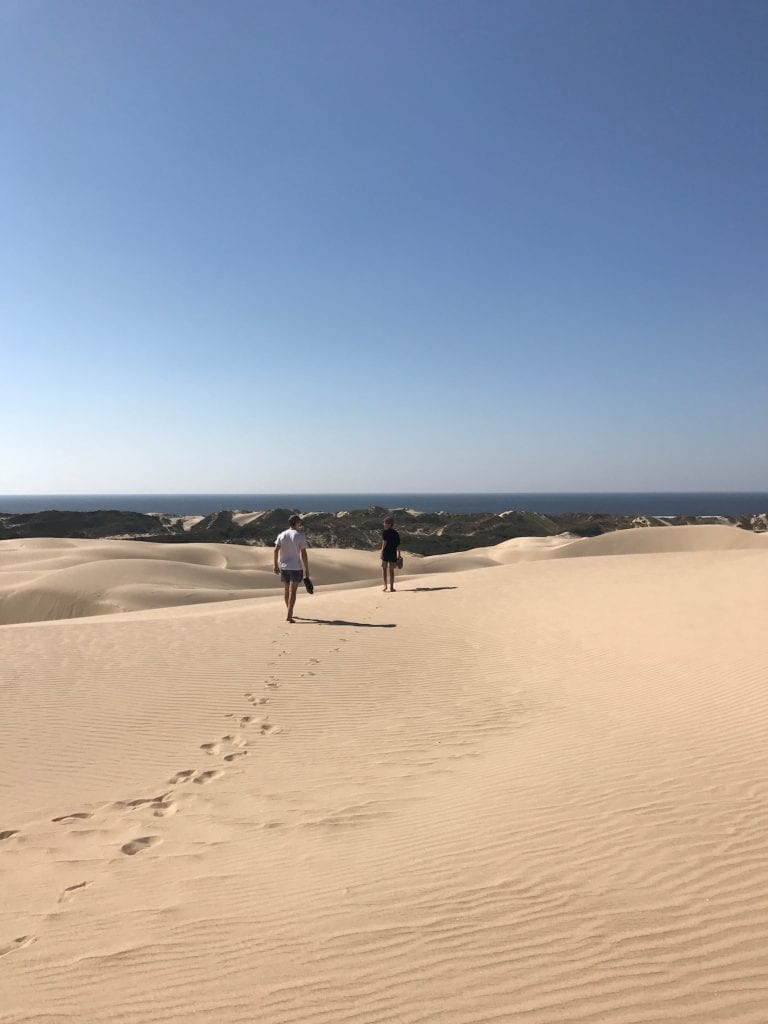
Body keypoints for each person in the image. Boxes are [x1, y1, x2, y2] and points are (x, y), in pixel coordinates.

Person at [273, 514, 310, 622]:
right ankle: (289, 616)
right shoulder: (300, 535)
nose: (300, 524)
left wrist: (276, 565)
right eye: (299, 522)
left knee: (286, 591)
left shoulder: (282, 534)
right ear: (296, 523)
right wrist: (307, 569)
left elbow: (275, 551)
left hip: (284, 567)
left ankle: (289, 611)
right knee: (293, 592)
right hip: (296, 567)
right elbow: (304, 554)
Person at [380, 516, 401, 592]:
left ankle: (385, 585)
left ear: (389, 524)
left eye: (385, 523)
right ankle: (391, 587)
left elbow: (384, 543)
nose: (384, 524)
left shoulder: (385, 532)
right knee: (391, 570)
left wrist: (381, 552)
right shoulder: (396, 533)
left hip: (386, 553)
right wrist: (399, 554)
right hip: (393, 554)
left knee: (384, 569)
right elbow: (398, 544)